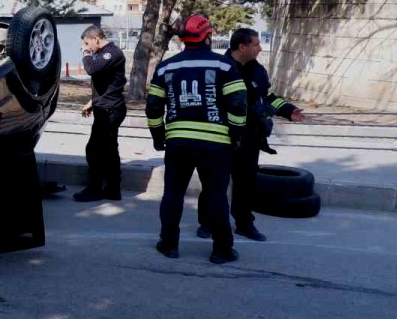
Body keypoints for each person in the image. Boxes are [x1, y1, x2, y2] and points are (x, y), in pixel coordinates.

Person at [146, 14, 247, 264]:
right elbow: (238, 104)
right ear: (208, 37)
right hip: (216, 144)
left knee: (173, 194)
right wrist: (236, 135)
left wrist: (158, 136)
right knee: (216, 195)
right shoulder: (224, 66)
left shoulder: (166, 67)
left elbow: (154, 107)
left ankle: (168, 244)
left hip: (178, 143)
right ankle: (222, 250)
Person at [196, 28, 305, 243]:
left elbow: (268, 96)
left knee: (245, 183)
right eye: (256, 44)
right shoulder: (219, 67)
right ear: (242, 47)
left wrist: (288, 110)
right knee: (214, 182)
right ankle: (207, 222)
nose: (260, 48)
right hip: (222, 136)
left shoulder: (258, 70)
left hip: (249, 136)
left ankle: (244, 223)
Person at [75, 25, 127, 202]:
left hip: (111, 109)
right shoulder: (104, 54)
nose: (86, 47)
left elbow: (92, 69)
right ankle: (113, 189)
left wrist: (86, 53)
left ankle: (94, 189)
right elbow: (106, 83)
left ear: (96, 39)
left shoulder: (112, 53)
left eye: (87, 43)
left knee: (95, 150)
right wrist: (92, 102)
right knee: (109, 149)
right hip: (105, 106)